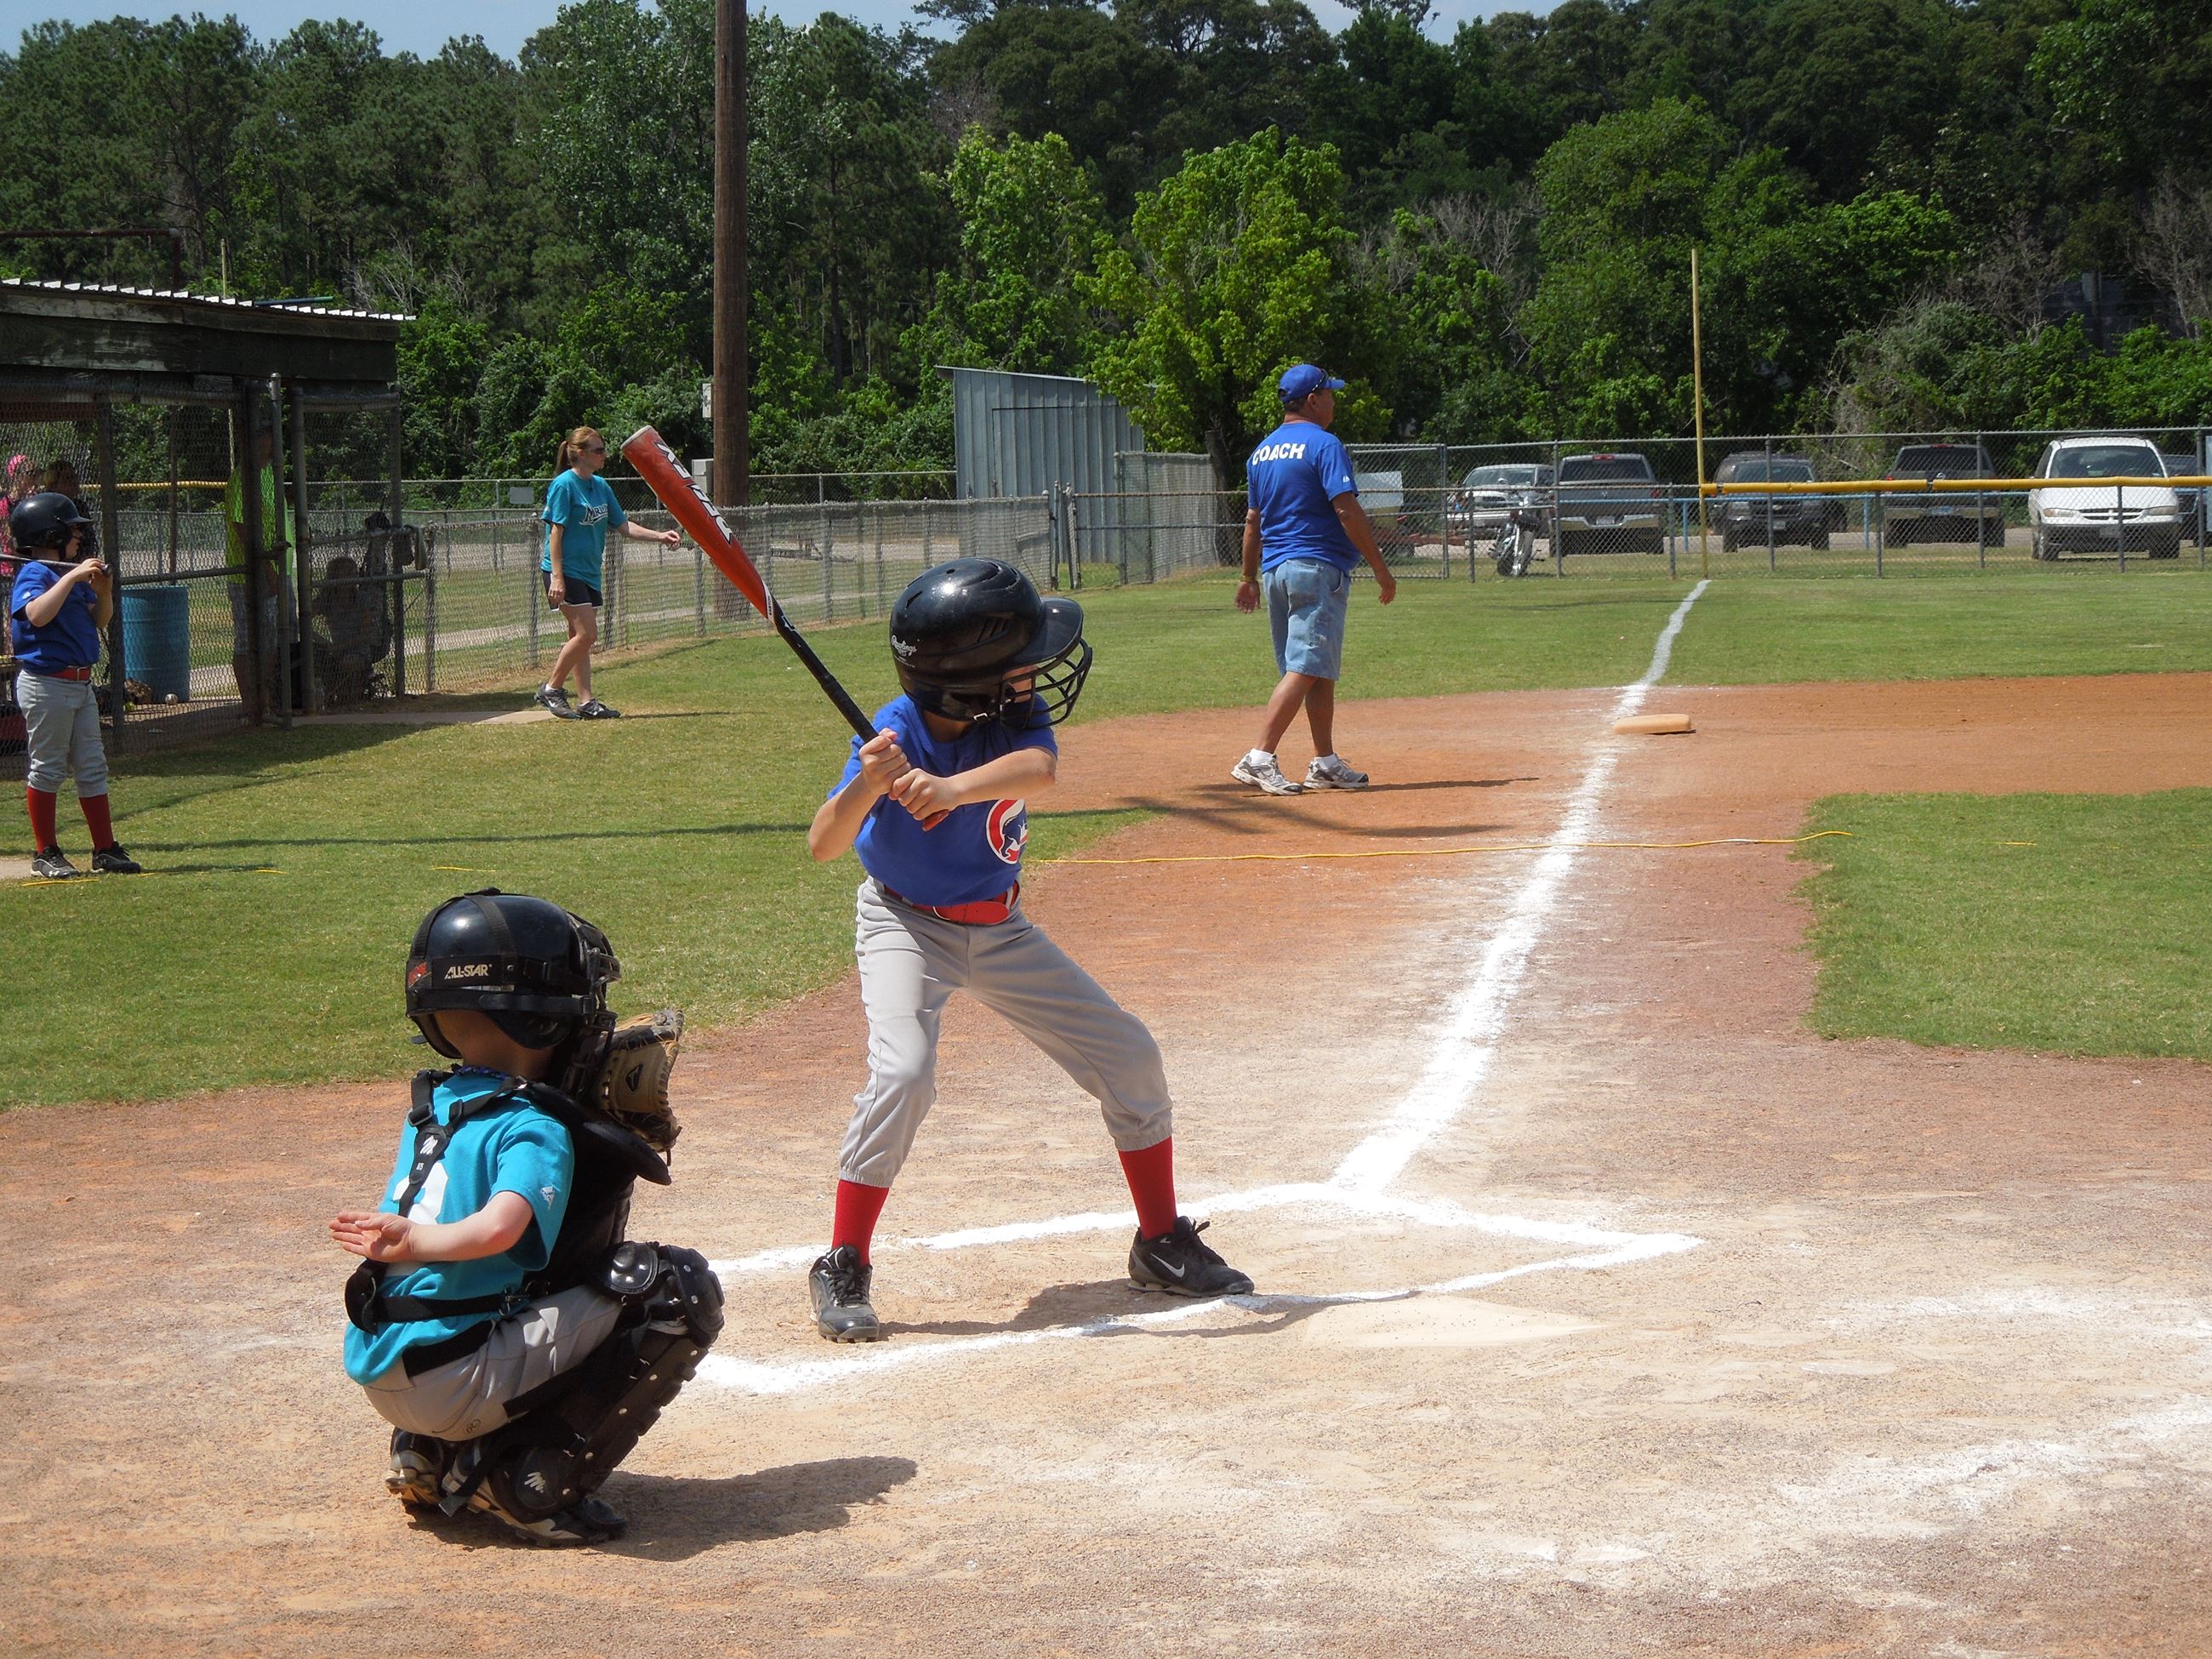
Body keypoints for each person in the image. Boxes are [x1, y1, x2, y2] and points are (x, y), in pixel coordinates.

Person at [803, 557, 1253, 1343]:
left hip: (1002, 929)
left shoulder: (1011, 725)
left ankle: (1160, 1243)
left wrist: (945, 790)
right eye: (1019, 665)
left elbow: (1038, 770)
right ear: (966, 681)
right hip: (906, 925)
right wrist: (868, 786)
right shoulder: (892, 733)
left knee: (1130, 1055)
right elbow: (824, 843)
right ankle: (843, 1258)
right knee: (904, 1072)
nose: (1036, 676)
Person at [333, 890, 721, 1547]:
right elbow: (504, 1228)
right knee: (673, 1288)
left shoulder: (435, 1102)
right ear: (540, 1019)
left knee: (498, 1283)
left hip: (391, 1367)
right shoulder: (536, 1126)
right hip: (455, 1380)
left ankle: (424, 1453)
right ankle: (525, 1481)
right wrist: (424, 1239)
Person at [1229, 363, 1397, 796]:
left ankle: (1324, 763)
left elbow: (1253, 521)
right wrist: (1380, 567)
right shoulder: (1324, 444)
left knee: (1315, 668)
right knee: (1305, 666)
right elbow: (1346, 510)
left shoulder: (1261, 452)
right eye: (1330, 393)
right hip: (1316, 568)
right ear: (1311, 400)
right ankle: (1259, 756)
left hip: (1276, 572)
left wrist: (1247, 576)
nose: (1334, 401)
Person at [7, 493, 140, 880]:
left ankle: (105, 849)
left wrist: (103, 592)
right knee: (48, 768)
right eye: (73, 529)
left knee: (92, 767)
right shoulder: (35, 573)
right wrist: (70, 577)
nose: (79, 536)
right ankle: (45, 851)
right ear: (50, 532)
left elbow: (100, 620)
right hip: (47, 684)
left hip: (80, 685)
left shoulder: (65, 571)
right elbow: (36, 614)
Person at [534, 426, 680, 721]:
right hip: (564, 571)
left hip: (589, 572)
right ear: (579, 454)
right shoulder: (564, 485)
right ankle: (551, 688)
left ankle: (586, 701)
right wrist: (558, 577)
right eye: (598, 450)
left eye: (603, 449)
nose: (604, 455)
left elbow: (623, 526)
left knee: (580, 637)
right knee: (588, 634)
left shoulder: (601, 486)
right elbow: (555, 532)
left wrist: (660, 536)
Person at [224, 421, 290, 722]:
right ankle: (250, 703)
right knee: (247, 638)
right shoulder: (243, 477)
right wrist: (264, 566)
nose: (272, 450)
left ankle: (265, 699)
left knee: (272, 637)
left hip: (274, 569)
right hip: (248, 575)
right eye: (266, 445)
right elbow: (241, 525)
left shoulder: (270, 475)